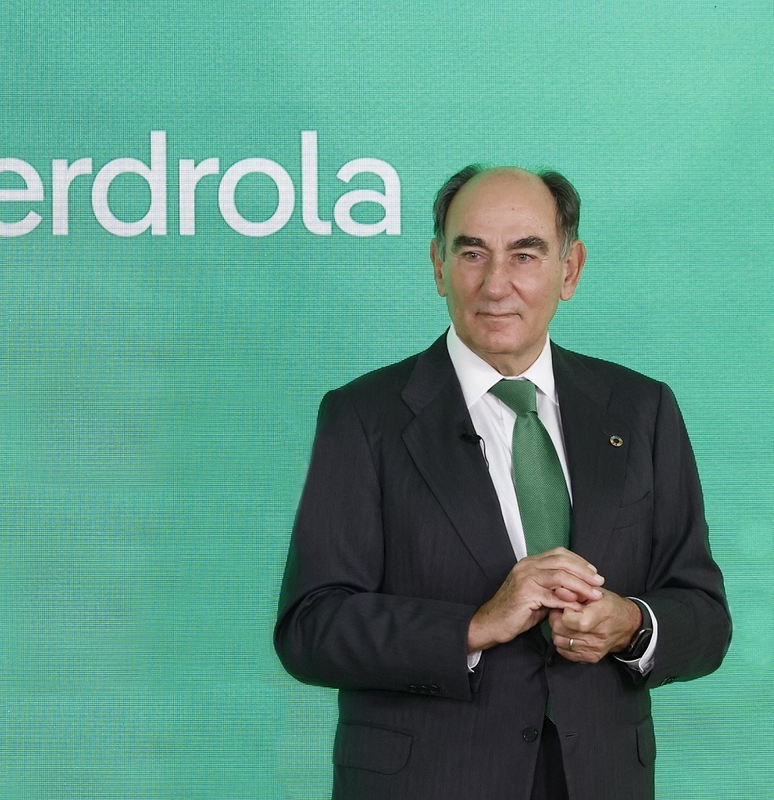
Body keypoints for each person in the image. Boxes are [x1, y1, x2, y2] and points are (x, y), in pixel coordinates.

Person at [273, 165, 730, 800]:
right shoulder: (363, 417)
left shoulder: (641, 409)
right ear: (438, 266)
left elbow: (704, 616)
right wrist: (475, 625)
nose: (495, 284)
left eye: (524, 254)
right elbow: (311, 628)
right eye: (471, 254)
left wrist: (631, 625)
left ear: (569, 270)